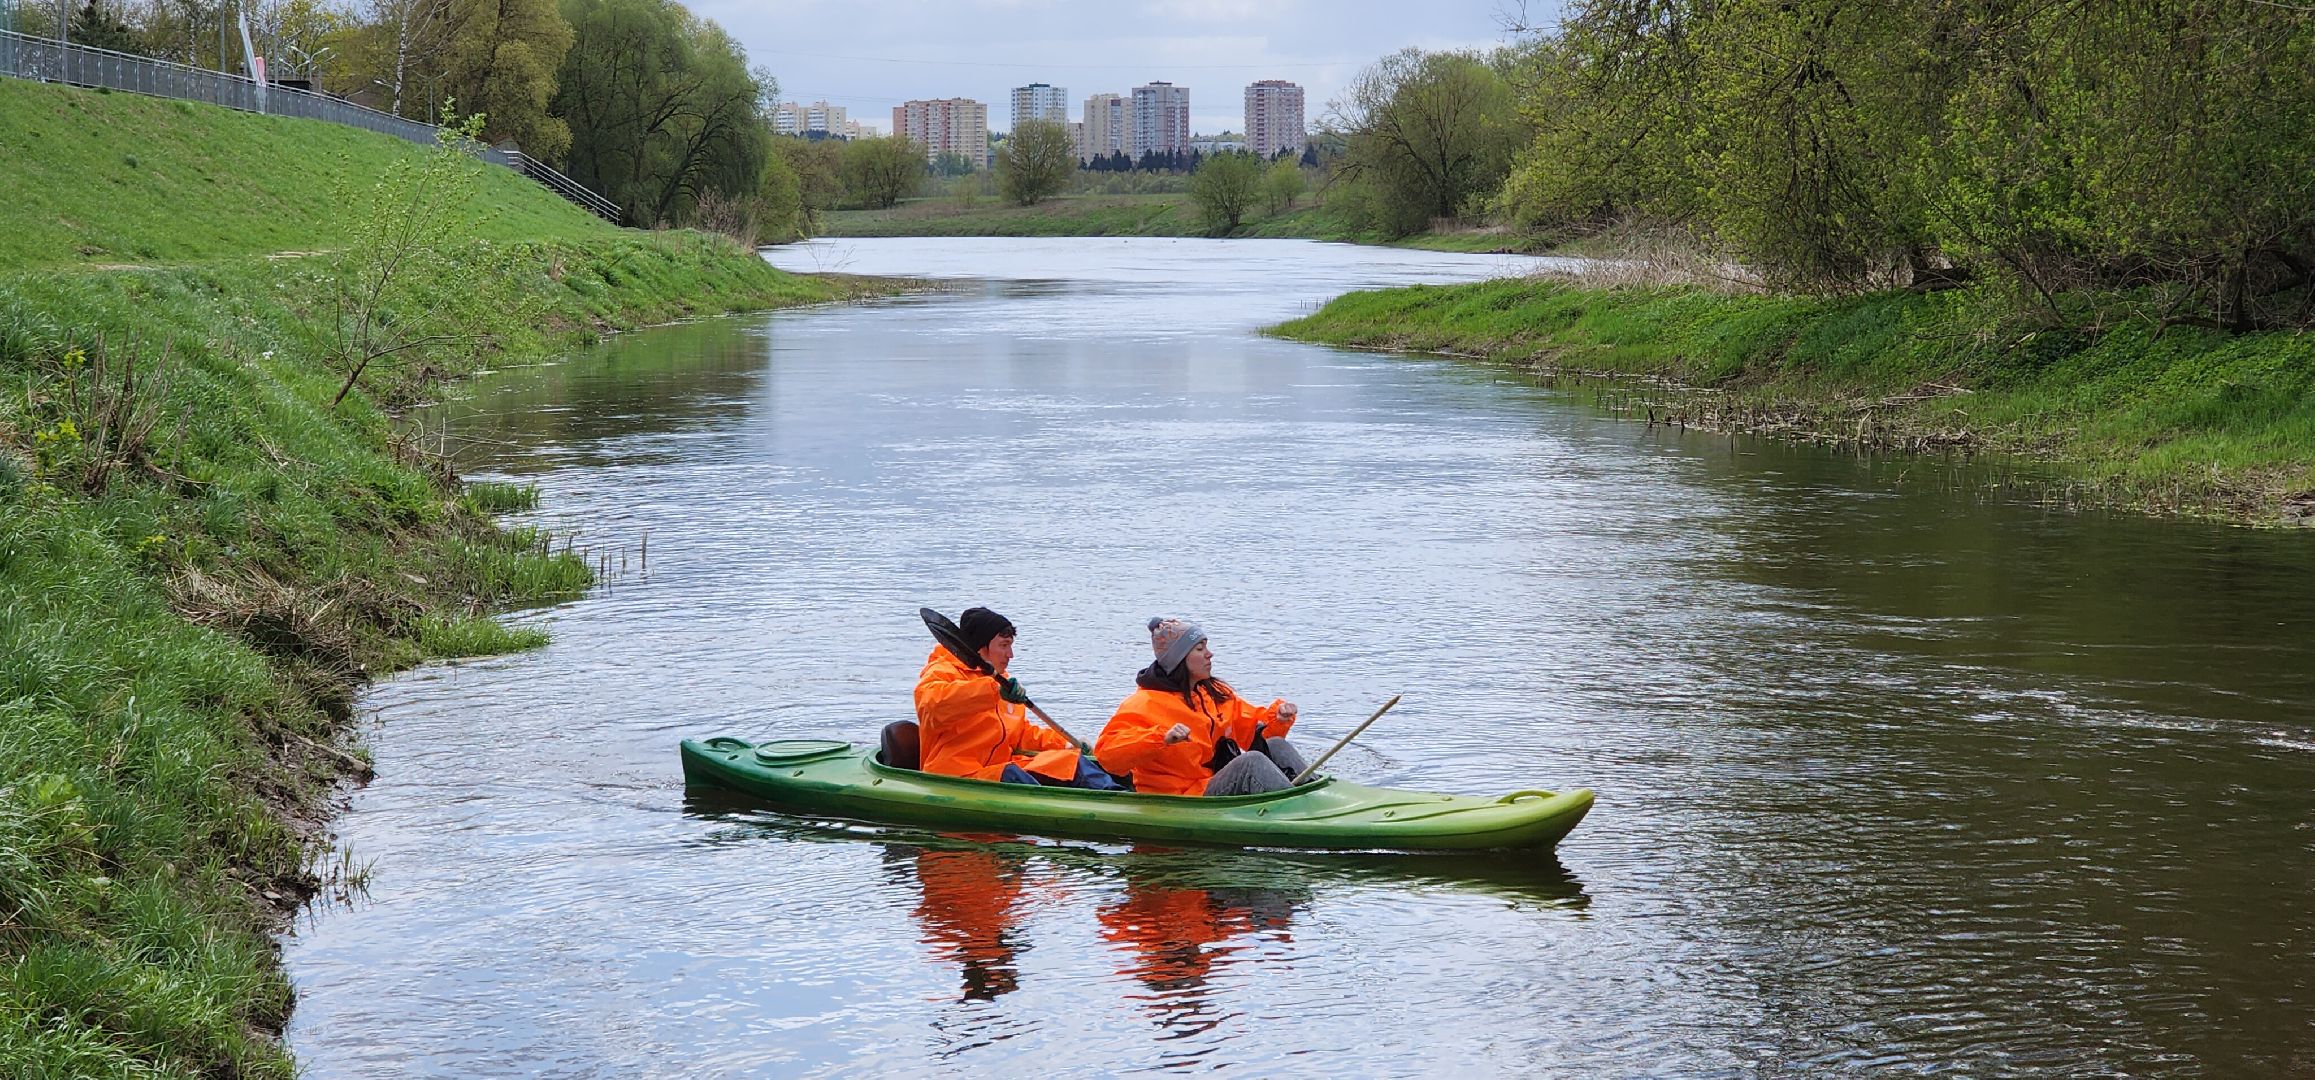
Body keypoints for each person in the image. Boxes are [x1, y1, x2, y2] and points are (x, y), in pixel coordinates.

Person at [1094, 617, 1310, 796]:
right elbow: (1108, 757)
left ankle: (1314, 795)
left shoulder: (1214, 692)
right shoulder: (1144, 703)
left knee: (1275, 744)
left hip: (1209, 782)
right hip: (1180, 795)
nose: (1209, 654)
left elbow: (1252, 732)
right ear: (1179, 659)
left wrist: (1278, 719)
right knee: (1250, 762)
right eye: (1200, 648)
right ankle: (1297, 812)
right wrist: (1161, 739)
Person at [913, 606, 1121, 789]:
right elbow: (934, 706)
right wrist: (992, 690)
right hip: (956, 776)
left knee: (1071, 761)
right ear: (980, 647)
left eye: (1010, 645)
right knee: (1013, 776)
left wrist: (1066, 744)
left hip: (999, 768)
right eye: (1004, 646)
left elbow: (1021, 733)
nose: (1010, 654)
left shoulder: (1003, 681)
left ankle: (1116, 798)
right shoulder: (941, 672)